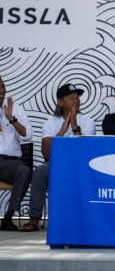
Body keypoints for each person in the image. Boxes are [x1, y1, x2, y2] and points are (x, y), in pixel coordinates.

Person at [19, 83, 96, 232]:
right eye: (71, 98)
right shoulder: (50, 123)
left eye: (77, 97)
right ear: (60, 102)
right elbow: (46, 153)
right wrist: (62, 130)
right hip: (56, 164)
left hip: (79, 165)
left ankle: (85, 219)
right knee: (41, 170)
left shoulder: (88, 121)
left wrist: (74, 127)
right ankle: (34, 220)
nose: (76, 101)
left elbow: (84, 151)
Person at [0, 76, 33, 231]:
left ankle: (8, 217)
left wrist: (11, 119)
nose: (1, 90)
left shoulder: (15, 109)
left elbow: (27, 135)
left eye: (2, 86)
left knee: (25, 171)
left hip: (10, 163)